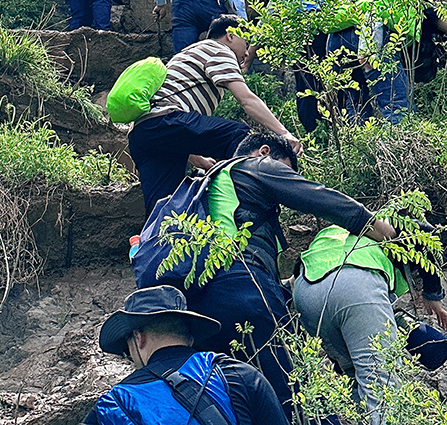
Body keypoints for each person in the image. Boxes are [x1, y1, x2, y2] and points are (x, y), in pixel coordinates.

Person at [186, 131, 396, 421]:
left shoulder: (210, 186)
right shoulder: (253, 166)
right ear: (263, 152)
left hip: (198, 305)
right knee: (302, 397)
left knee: (239, 405)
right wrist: (374, 225)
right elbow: (318, 197)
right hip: (245, 290)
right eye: (286, 170)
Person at [128, 15, 302, 216]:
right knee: (241, 136)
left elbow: (178, 133)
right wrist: (284, 132)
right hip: (167, 120)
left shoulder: (190, 54)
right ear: (230, 35)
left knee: (164, 208)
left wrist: (199, 159)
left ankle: (156, 243)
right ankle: (252, 202)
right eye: (245, 44)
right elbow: (247, 100)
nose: (246, 53)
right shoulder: (218, 50)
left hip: (143, 133)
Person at [293, 223, 447, 421]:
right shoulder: (380, 224)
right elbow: (425, 236)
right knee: (381, 385)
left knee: (354, 377)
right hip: (356, 283)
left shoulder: (329, 234)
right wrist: (433, 293)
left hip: (306, 293)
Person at [82, 285, 289, 425]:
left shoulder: (113, 405)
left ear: (138, 338)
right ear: (190, 337)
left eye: (127, 348)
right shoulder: (240, 375)